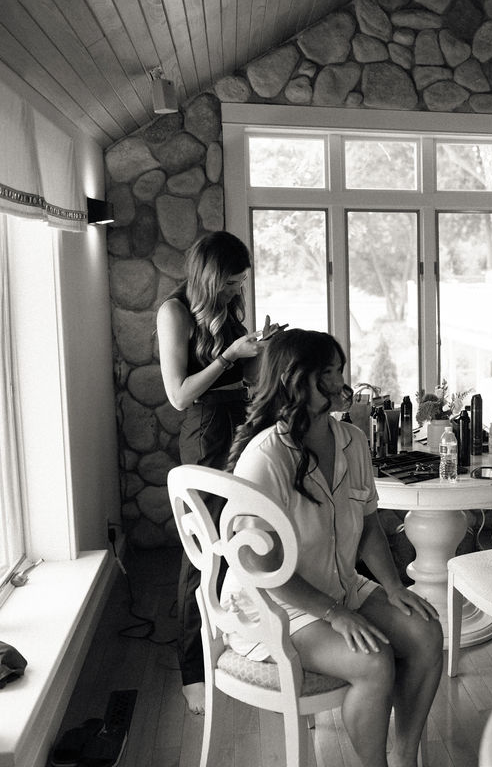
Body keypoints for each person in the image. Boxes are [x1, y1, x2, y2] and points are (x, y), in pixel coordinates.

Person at [223, 329, 442, 767]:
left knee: (426, 633)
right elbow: (256, 563)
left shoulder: (352, 441)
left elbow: (367, 525)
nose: (342, 382)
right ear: (295, 381)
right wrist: (333, 613)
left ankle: (404, 757)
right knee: (375, 661)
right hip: (273, 608)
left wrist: (394, 586)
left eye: (340, 369)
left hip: (340, 586)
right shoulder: (266, 457)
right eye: (328, 373)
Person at [156, 230, 284, 714]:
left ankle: (252, 639)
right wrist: (230, 355)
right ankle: (193, 667)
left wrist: (262, 350)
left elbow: (245, 380)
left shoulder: (226, 310)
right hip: (206, 432)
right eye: (231, 283)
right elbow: (180, 394)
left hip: (244, 426)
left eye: (240, 284)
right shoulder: (174, 312)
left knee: (251, 537)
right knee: (205, 551)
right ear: (211, 277)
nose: (237, 291)